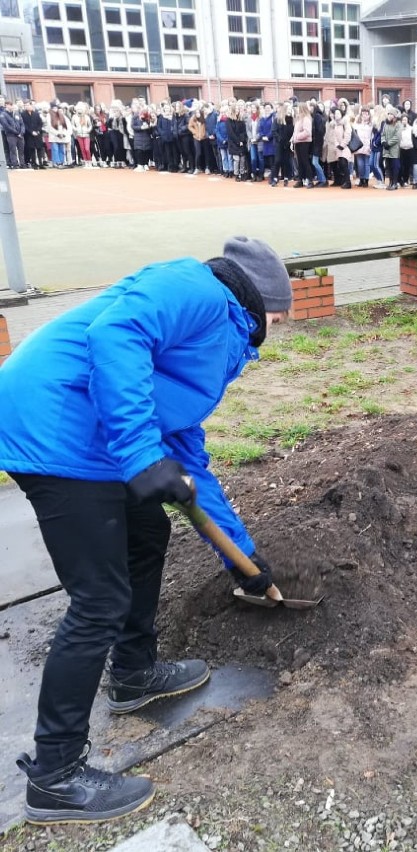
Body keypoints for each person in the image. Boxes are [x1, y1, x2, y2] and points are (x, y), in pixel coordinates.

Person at [0, 237, 293, 825]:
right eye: (282, 316)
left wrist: (242, 557)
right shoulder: (196, 290)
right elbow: (114, 335)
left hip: (99, 437)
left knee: (148, 535)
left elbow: (186, 452)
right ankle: (54, 779)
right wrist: (140, 456)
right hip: (57, 429)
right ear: (260, 303)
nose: (283, 328)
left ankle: (133, 673)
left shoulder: (223, 342)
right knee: (98, 599)